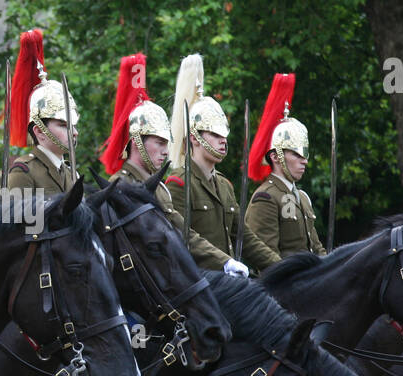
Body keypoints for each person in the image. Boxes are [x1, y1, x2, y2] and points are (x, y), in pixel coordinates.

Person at [101, 53, 234, 273]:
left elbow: (181, 232)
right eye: (159, 143)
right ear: (137, 142)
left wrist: (226, 262)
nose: (165, 151)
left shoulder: (160, 188)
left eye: (167, 143)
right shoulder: (120, 185)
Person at [165, 54, 278, 276]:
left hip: (230, 282)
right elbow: (184, 237)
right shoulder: (178, 182)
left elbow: (246, 239)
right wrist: (226, 263)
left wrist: (283, 267)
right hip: (200, 283)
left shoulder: (225, 185)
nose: (223, 140)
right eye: (215, 134)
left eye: (223, 134)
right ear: (195, 138)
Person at [243, 73, 325, 260]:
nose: (304, 160)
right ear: (275, 157)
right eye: (296, 154)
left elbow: (316, 247)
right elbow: (265, 256)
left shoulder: (302, 197)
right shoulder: (265, 197)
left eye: (304, 155)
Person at [5, 28, 77, 196]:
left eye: (73, 125)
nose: (74, 132)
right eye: (63, 125)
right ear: (39, 131)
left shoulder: (70, 173)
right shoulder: (23, 171)